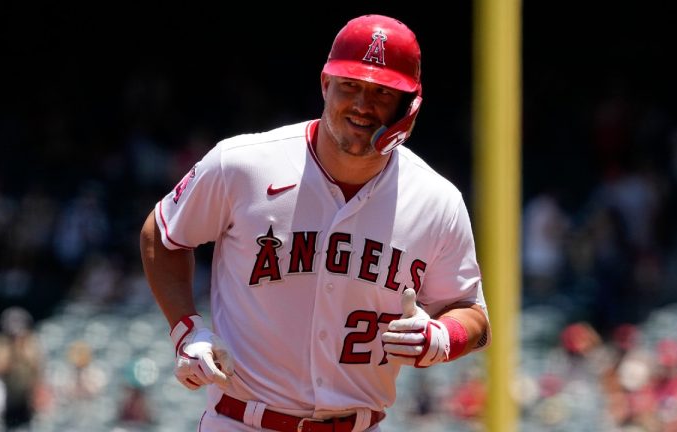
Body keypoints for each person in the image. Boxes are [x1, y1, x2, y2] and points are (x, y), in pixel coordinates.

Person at [140, 14, 491, 431]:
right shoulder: (244, 164)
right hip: (243, 422)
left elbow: (472, 313)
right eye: (350, 86)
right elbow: (162, 234)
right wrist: (187, 330)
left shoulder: (437, 201)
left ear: (409, 106)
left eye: (382, 92)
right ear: (326, 85)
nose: (362, 104)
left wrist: (439, 338)